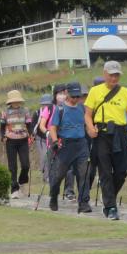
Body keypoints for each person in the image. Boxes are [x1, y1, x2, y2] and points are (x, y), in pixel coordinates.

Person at [84, 61, 127, 221]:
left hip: (120, 134)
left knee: (122, 172)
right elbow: (87, 115)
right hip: (102, 134)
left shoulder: (125, 92)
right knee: (105, 172)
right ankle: (110, 207)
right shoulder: (95, 91)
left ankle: (108, 196)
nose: (114, 78)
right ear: (104, 74)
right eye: (111, 75)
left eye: (116, 75)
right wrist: (90, 128)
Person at [49, 81, 92, 213]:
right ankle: (54, 196)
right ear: (67, 93)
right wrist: (55, 141)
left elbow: (88, 124)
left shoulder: (82, 108)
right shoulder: (60, 109)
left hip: (81, 144)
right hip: (65, 146)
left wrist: (92, 130)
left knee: (84, 174)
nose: (75, 99)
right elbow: (52, 127)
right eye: (73, 96)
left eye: (77, 96)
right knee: (59, 175)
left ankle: (83, 203)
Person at [0, 90, 33, 198]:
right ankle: (14, 189)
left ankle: (22, 181)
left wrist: (31, 134)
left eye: (18, 101)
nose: (16, 103)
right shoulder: (5, 112)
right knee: (12, 166)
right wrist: (2, 136)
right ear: (10, 102)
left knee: (25, 165)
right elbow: (2, 126)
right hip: (10, 140)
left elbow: (29, 124)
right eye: (14, 101)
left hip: (23, 140)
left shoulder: (25, 111)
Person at [32, 93, 54, 183]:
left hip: (51, 138)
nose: (46, 106)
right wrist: (32, 135)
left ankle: (47, 175)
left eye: (48, 104)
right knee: (44, 156)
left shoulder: (53, 112)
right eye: (44, 104)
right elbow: (33, 125)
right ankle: (45, 175)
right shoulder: (37, 113)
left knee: (50, 157)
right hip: (40, 139)